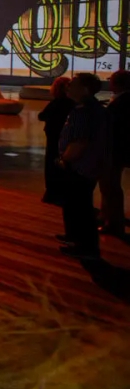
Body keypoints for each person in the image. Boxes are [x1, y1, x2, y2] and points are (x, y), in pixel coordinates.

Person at [55, 73, 110, 259]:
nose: (68, 86)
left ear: (85, 89)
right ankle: (75, 237)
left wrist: (65, 159)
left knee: (79, 208)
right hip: (87, 165)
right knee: (77, 205)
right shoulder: (93, 109)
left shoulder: (83, 113)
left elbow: (80, 142)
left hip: (79, 166)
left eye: (73, 84)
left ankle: (84, 245)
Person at [99, 70, 130, 235]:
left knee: (110, 187)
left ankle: (113, 223)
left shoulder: (120, 103)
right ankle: (108, 218)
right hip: (118, 150)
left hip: (114, 151)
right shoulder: (124, 101)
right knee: (111, 186)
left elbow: (113, 128)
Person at [38, 76, 74, 205]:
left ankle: (52, 193)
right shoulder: (73, 103)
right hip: (67, 137)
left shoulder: (57, 102)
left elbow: (42, 116)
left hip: (54, 135)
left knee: (52, 161)